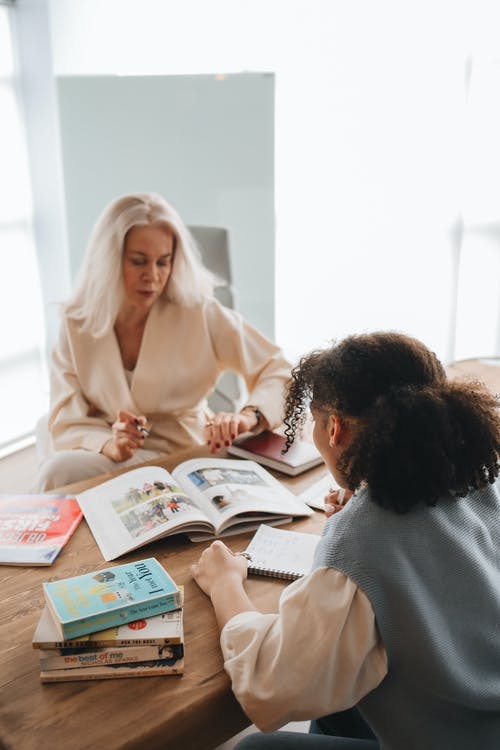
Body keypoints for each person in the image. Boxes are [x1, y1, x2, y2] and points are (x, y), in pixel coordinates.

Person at [192, 331, 500, 750]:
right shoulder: (483, 475)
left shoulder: (363, 542)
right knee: (338, 695)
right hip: (484, 710)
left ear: (334, 427)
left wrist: (224, 583)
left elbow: (269, 682)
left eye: (315, 424)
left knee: (252, 747)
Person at [34, 193, 290, 491]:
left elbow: (279, 369)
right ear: (108, 260)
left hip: (183, 450)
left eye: (163, 262)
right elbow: (67, 417)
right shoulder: (76, 322)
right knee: (50, 442)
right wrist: (109, 444)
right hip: (114, 450)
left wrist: (248, 417)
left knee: (54, 464)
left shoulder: (199, 312)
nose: (152, 277)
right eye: (138, 261)